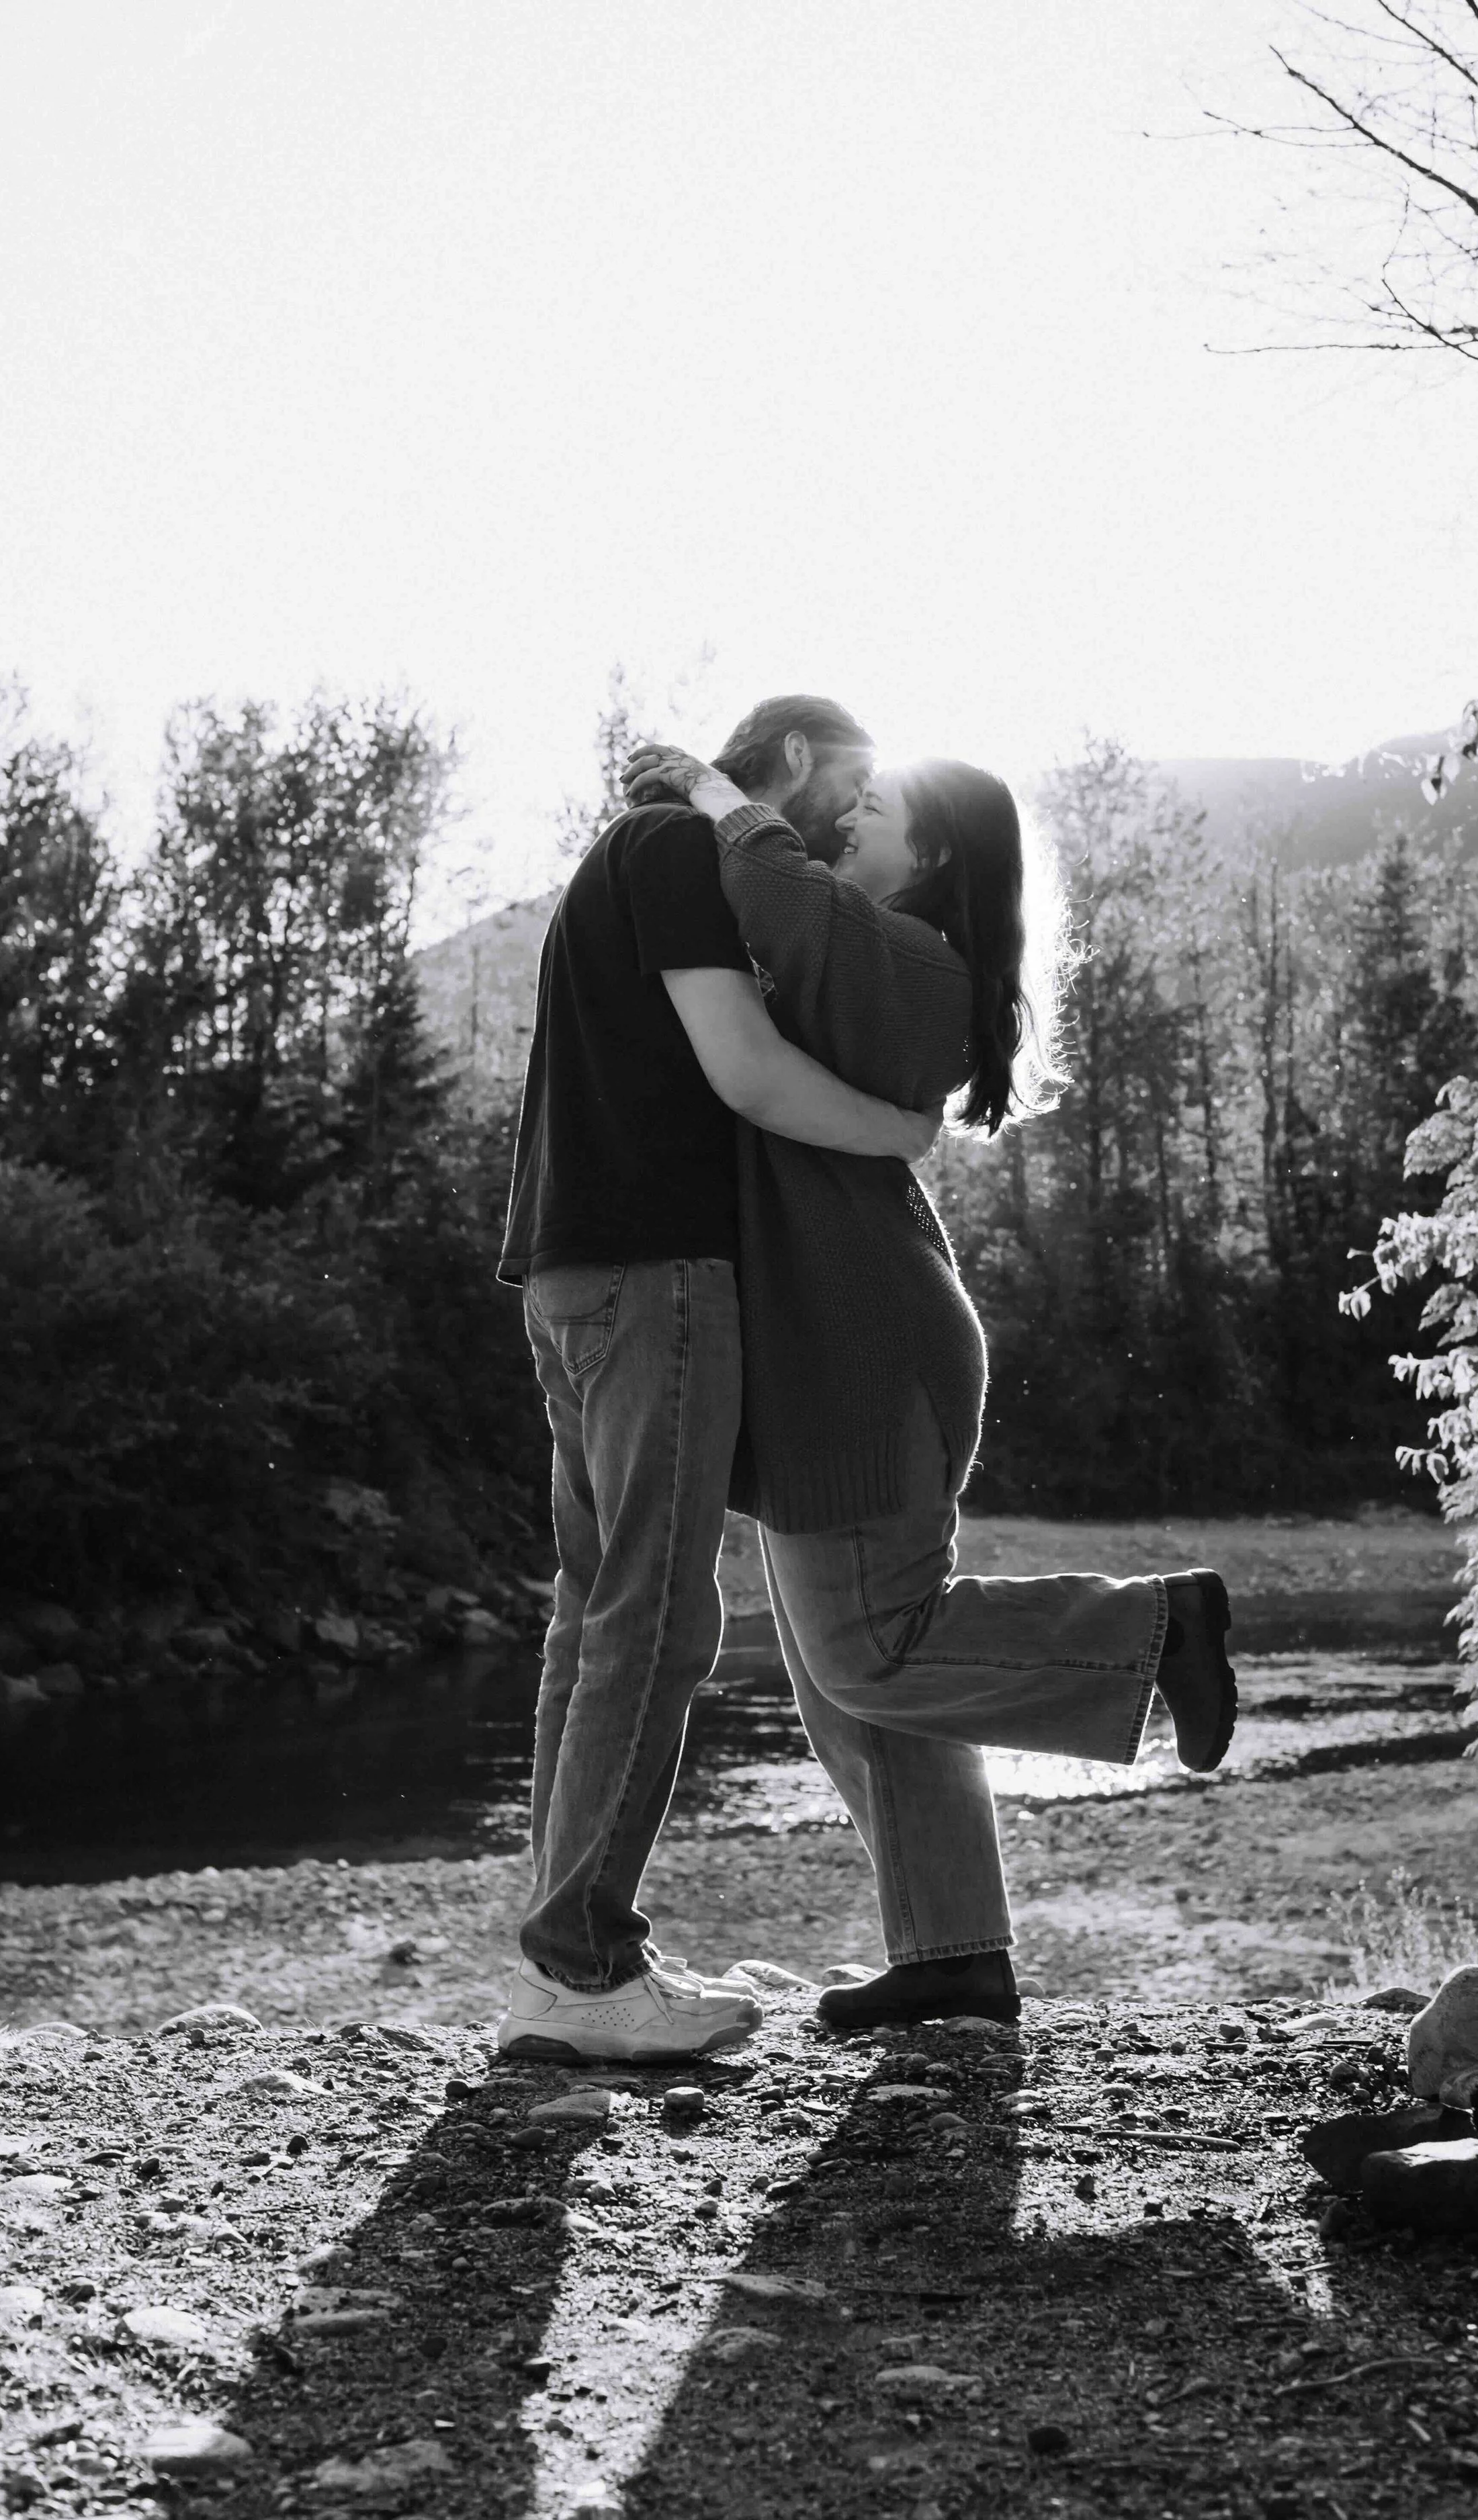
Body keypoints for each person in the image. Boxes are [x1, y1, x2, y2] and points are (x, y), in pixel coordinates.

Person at [619, 738, 1237, 2031]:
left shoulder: (911, 962)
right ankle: (954, 1948)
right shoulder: (875, 955)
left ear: (938, 854)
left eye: (878, 807)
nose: (850, 816)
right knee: (857, 1682)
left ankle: (1155, 1625)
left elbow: (784, 895)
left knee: (881, 1650)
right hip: (832, 1349)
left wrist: (712, 790)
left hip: (864, 1350)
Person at [492, 695, 945, 2064]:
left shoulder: (622, 858)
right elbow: (745, 1074)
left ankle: (559, 1962)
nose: (839, 820)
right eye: (848, 784)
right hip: (655, 1277)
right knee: (653, 1621)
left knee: (593, 1618)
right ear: (795, 758)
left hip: (567, 1278)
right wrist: (899, 1135)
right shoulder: (678, 852)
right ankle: (583, 1973)